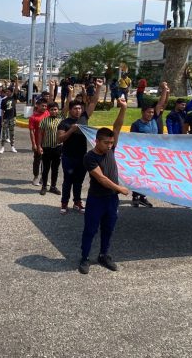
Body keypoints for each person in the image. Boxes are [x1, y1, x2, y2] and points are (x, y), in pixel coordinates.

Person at [78, 98, 130, 275]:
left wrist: (123, 108)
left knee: (108, 228)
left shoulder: (111, 149)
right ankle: (84, 258)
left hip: (111, 200)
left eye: (111, 143)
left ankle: (103, 255)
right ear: (97, 141)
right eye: (106, 143)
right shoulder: (89, 157)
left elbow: (117, 126)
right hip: (96, 199)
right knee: (90, 230)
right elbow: (101, 178)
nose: (110, 146)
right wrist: (120, 188)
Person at [57, 79, 102, 214]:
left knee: (79, 181)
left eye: (80, 108)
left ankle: (77, 202)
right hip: (68, 157)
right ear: (70, 110)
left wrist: (98, 87)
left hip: (82, 157)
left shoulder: (84, 118)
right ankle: (64, 203)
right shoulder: (64, 123)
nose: (78, 110)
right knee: (68, 181)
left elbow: (93, 102)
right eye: (75, 109)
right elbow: (60, 139)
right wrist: (71, 130)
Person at [129, 82, 169, 208]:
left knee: (148, 176)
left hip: (153, 154)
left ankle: (143, 197)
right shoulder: (136, 125)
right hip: (140, 154)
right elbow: (132, 141)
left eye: (152, 112)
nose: (151, 114)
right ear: (142, 112)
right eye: (148, 112)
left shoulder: (154, 120)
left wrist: (165, 90)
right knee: (138, 176)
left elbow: (160, 104)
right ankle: (135, 197)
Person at [38, 100, 69, 196]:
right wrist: (39, 146)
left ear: (58, 110)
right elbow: (40, 134)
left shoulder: (61, 119)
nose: (54, 111)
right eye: (51, 109)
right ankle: (44, 186)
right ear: (48, 110)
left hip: (58, 148)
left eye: (55, 109)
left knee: (55, 169)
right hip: (46, 148)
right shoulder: (44, 120)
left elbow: (67, 105)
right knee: (45, 168)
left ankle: (53, 187)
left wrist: (70, 93)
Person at [28, 99, 49, 186]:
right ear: (38, 106)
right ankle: (36, 177)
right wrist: (34, 144)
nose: (44, 107)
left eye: (45, 106)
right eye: (42, 106)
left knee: (46, 161)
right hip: (38, 142)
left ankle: (43, 178)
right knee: (37, 160)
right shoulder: (33, 117)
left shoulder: (48, 113)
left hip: (48, 142)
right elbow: (31, 131)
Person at [0, 80, 20, 154]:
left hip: (12, 118)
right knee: (3, 133)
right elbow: (2, 111)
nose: (7, 93)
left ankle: (12, 146)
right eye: (6, 92)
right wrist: (2, 120)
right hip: (5, 118)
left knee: (12, 133)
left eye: (8, 92)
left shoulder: (13, 98)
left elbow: (16, 89)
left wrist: (16, 80)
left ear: (11, 92)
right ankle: (2, 147)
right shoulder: (3, 100)